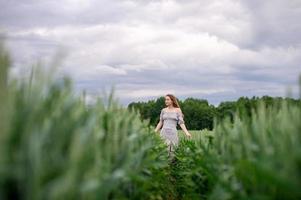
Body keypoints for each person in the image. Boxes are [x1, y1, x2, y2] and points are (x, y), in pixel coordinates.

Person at [154, 94, 192, 159]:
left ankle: (172, 166)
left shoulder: (177, 110)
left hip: (173, 134)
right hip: (164, 133)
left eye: (168, 99)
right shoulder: (163, 110)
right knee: (162, 151)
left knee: (173, 152)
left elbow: (181, 123)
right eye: (165, 100)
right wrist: (154, 131)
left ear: (172, 101)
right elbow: (160, 122)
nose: (166, 101)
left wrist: (187, 133)